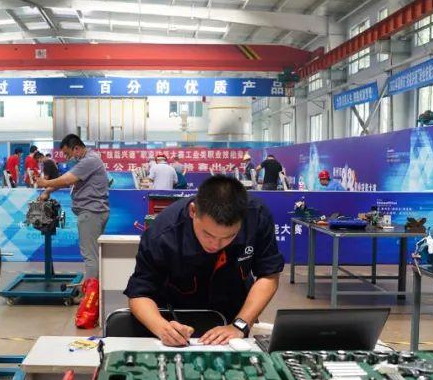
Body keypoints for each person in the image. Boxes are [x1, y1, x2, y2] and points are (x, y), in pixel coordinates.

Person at [124, 176, 283, 346]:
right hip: (177, 320)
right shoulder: (162, 233)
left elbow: (269, 275)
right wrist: (162, 328)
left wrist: (240, 325)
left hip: (234, 316)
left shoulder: (257, 215)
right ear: (193, 211)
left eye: (229, 237)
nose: (215, 245)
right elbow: (139, 293)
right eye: (208, 234)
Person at [35, 134, 109, 284]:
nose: (67, 158)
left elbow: (67, 180)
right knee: (92, 255)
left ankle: (90, 293)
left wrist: (45, 183)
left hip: (91, 213)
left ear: (76, 149)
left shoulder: (89, 160)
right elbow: (69, 181)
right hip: (92, 212)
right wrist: (47, 191)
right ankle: (93, 288)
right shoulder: (86, 160)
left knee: (90, 257)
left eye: (67, 154)